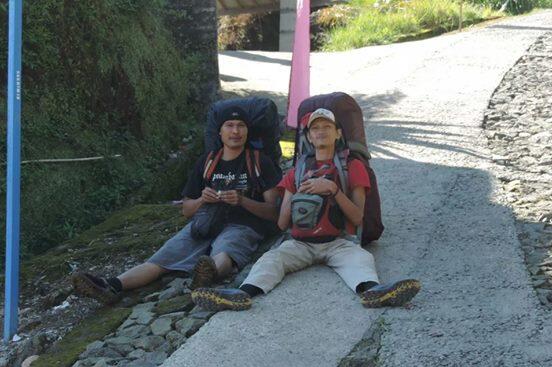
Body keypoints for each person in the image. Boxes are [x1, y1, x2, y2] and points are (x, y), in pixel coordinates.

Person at [191, 108, 420, 311]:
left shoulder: (352, 167)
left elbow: (357, 217)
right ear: (309, 136)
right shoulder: (297, 172)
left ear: (338, 133)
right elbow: (282, 224)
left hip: (339, 241)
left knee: (361, 260)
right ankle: (242, 295)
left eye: (327, 127)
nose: (321, 132)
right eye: (315, 128)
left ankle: (374, 292)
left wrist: (333, 189)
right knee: (271, 259)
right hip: (300, 243)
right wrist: (297, 195)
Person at [72, 106, 282, 304]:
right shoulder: (207, 162)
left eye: (241, 125)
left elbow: (274, 213)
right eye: (229, 125)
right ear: (219, 132)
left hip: (242, 224)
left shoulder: (259, 162)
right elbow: (186, 209)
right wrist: (202, 200)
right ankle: (111, 286)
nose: (235, 131)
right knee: (163, 258)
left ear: (247, 131)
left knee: (225, 250)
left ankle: (206, 279)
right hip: (205, 223)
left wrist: (242, 200)